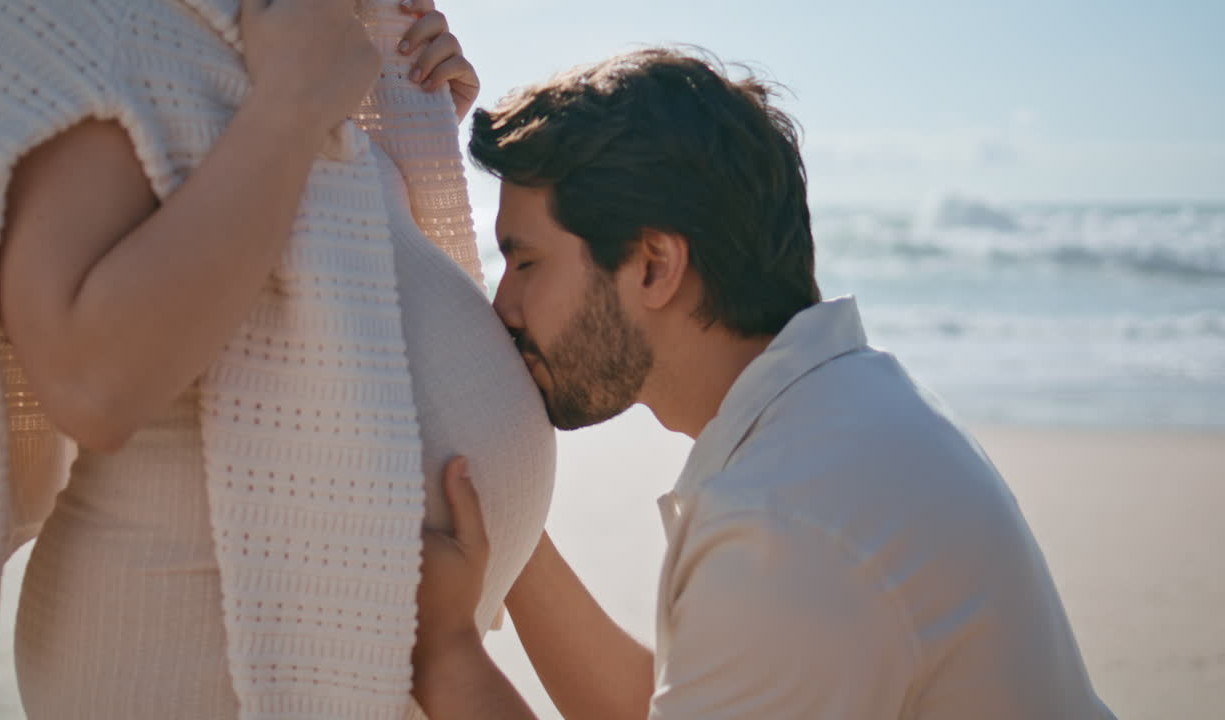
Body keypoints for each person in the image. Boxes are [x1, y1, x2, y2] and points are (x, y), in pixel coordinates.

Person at [410, 48, 1117, 719]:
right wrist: (504, 518)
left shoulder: (788, 523)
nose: (503, 308)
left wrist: (447, 654)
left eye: (525, 263)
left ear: (654, 265)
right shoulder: (844, 413)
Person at [0, 1, 553, 718]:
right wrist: (296, 103)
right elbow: (93, 384)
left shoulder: (292, 37)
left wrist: (410, 128)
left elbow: (318, 283)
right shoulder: (104, 22)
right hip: (189, 658)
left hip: (384, 644)